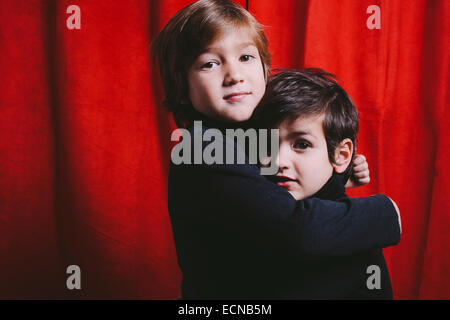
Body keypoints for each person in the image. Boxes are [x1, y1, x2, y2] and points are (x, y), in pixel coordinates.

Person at [151, 0, 401, 299]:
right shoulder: (202, 148)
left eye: (245, 57)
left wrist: (339, 175)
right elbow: (294, 228)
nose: (234, 75)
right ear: (182, 86)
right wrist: (385, 212)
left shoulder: (245, 132)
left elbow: (269, 187)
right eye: (210, 64)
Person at [253, 69, 398, 299]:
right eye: (267, 144)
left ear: (341, 155)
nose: (278, 161)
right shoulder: (249, 209)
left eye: (301, 144)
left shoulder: (358, 240)